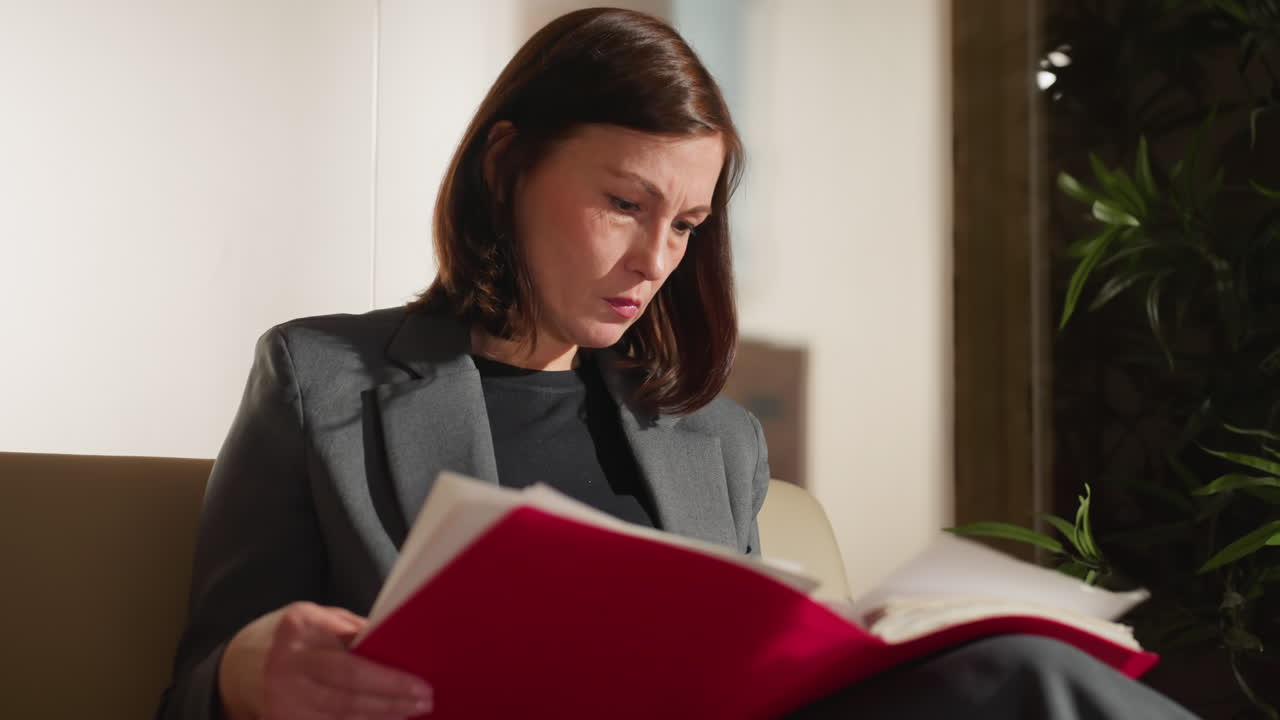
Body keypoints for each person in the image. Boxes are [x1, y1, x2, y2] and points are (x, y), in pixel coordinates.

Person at [157, 7, 1196, 720]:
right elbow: (194, 684)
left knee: (1022, 671)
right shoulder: (322, 379)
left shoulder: (717, 441)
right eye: (624, 203)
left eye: (687, 223)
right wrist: (249, 673)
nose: (655, 259)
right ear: (506, 166)